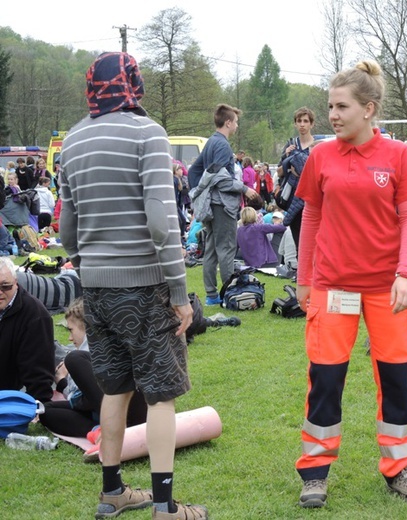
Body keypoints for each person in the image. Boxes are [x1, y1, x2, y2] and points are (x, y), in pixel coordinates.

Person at [60, 52, 207, 519]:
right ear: (133, 84)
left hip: (96, 290)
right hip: (144, 286)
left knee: (116, 391)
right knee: (161, 396)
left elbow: (66, 233)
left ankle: (112, 494)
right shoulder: (148, 132)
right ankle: (164, 506)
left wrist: (93, 263)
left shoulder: (73, 142)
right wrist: (181, 295)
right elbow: (163, 225)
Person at [294, 60, 407, 508]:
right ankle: (315, 473)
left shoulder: (398, 156)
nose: (332, 115)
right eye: (329, 106)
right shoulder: (320, 156)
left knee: (396, 380)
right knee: (326, 379)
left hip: (385, 290)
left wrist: (405, 274)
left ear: (368, 109)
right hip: (333, 287)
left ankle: (400, 469)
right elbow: (311, 217)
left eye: (341, 106)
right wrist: (304, 279)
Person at [40, 298, 148, 437]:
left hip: (130, 410)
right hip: (103, 408)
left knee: (74, 359)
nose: (70, 339)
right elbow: (86, 399)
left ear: (87, 327)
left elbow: (87, 400)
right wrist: (62, 382)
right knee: (45, 410)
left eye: (71, 330)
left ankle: (114, 428)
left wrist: (69, 384)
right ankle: (97, 431)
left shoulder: (105, 348)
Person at [188, 104, 259, 306]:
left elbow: (194, 171)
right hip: (222, 206)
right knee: (226, 248)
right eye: (235, 122)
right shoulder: (222, 145)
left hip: (212, 206)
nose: (236, 125)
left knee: (211, 249)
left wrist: (196, 193)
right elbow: (220, 178)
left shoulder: (211, 142)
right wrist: (244, 189)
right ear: (228, 122)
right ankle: (231, 294)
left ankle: (212, 295)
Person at [0, 256, 55, 404]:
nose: (0, 292)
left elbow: (38, 367)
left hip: (9, 391)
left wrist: (37, 403)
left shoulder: (35, 315)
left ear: (16, 283)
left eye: (5, 286)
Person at [278, 107, 316, 251]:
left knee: (312, 244)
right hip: (294, 198)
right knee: (299, 244)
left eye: (305, 121)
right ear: (295, 123)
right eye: (299, 121)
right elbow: (280, 172)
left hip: (311, 198)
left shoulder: (318, 146)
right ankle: (300, 273)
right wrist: (286, 158)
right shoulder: (291, 144)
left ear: (311, 124)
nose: (302, 124)